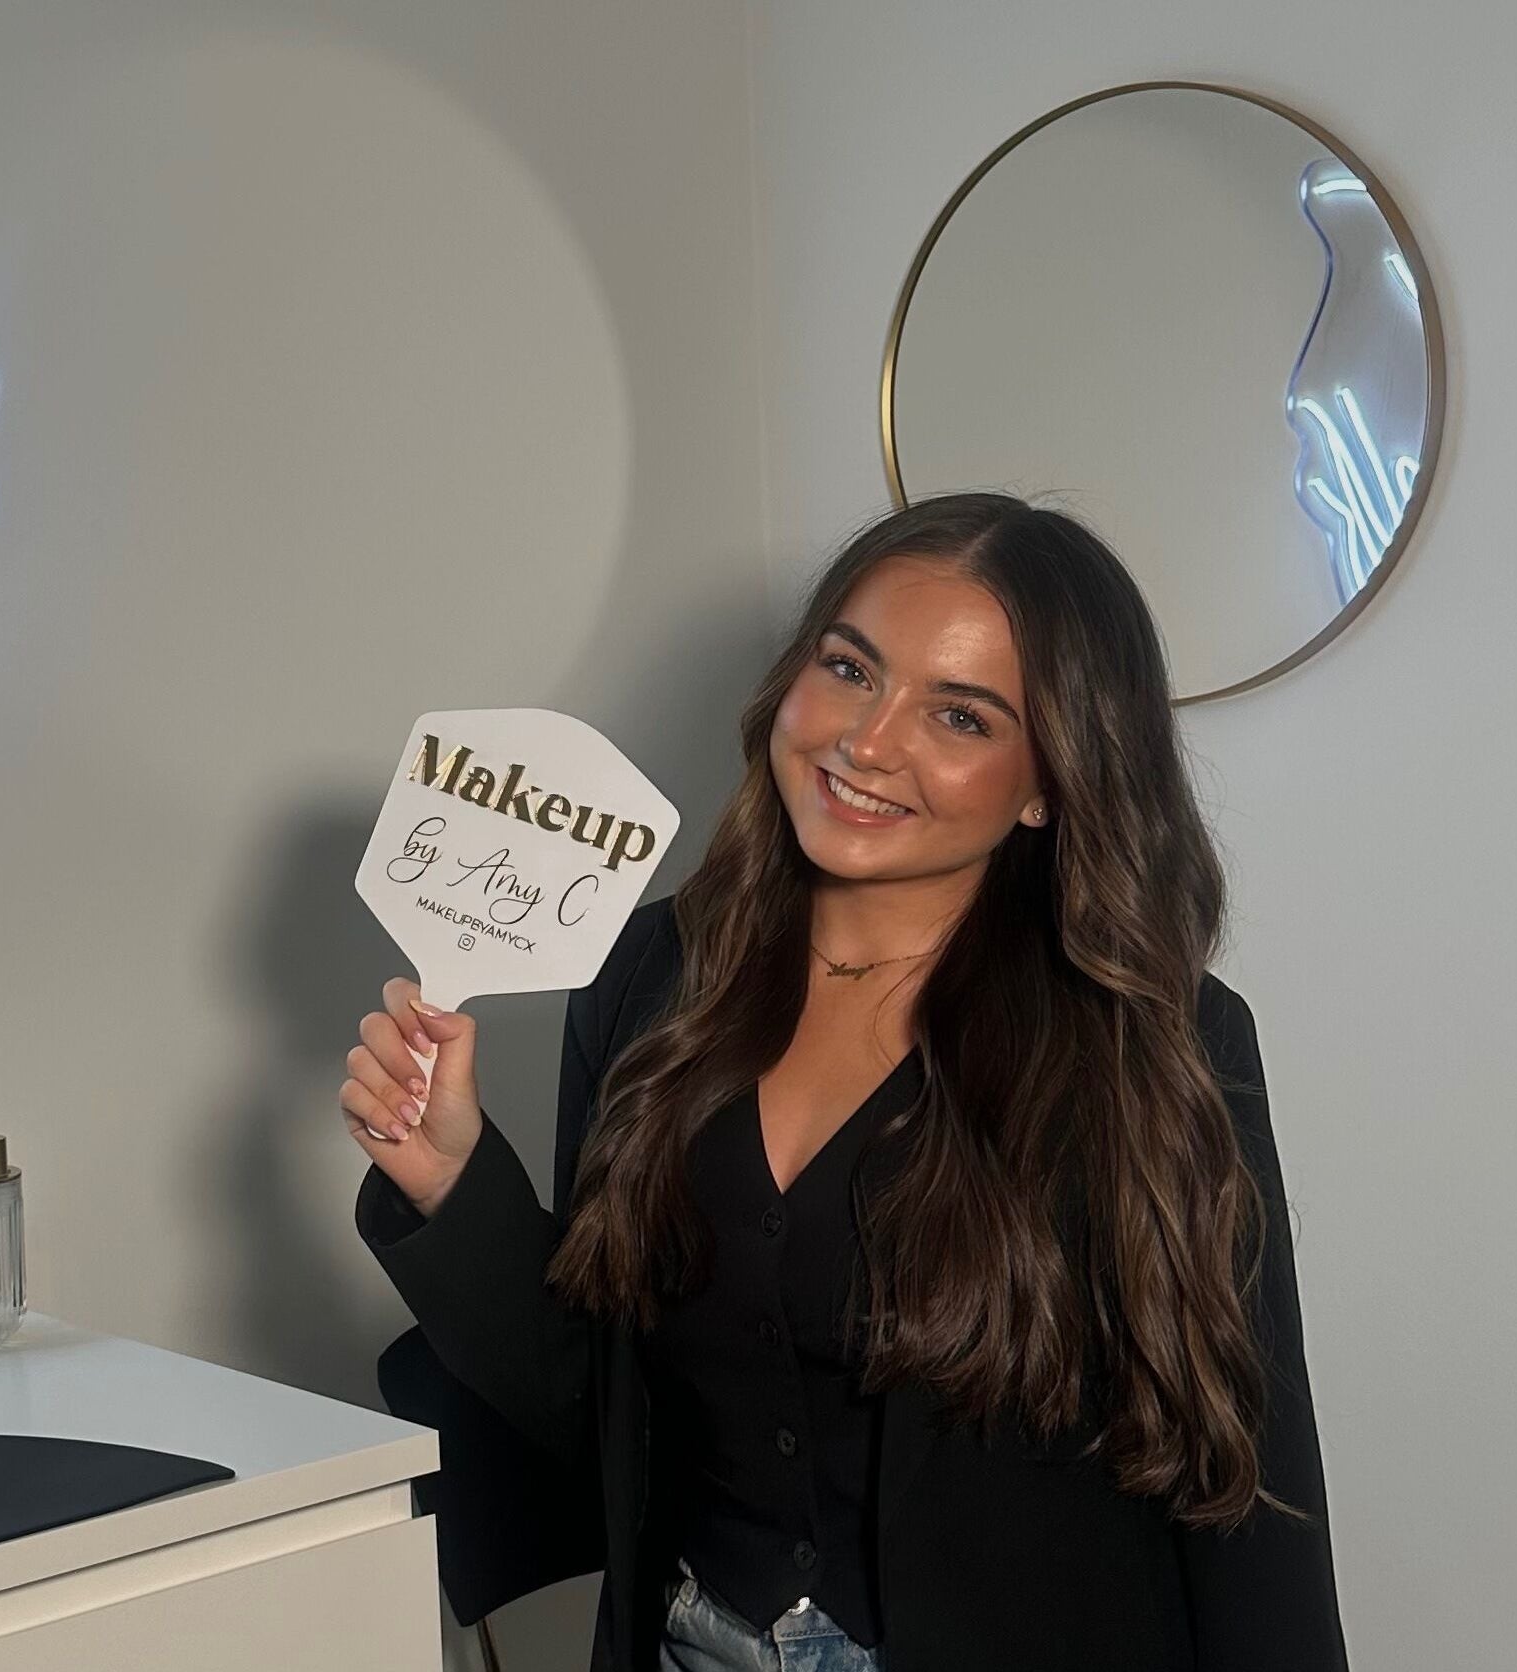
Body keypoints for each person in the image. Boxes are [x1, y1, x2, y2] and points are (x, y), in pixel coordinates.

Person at [341, 495, 1349, 1672]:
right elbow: (604, 1416)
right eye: (850, 667)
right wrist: (454, 1181)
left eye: (961, 716)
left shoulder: (1157, 1041)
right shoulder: (648, 976)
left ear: (1047, 781)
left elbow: (1243, 1480)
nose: (868, 742)